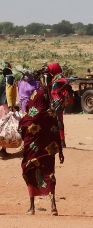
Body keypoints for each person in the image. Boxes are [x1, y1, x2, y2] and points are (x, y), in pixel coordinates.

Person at [18, 87, 65, 215]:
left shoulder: (28, 116)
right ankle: (53, 205)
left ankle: (32, 207)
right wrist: (60, 151)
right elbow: (56, 133)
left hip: (32, 153)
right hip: (47, 152)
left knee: (31, 172)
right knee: (49, 174)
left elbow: (21, 130)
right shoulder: (51, 114)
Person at [0, 67, 17, 157]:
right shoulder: (10, 78)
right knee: (6, 127)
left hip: (1, 104)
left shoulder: (3, 79)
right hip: (6, 104)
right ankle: (3, 149)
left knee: (2, 126)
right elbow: (9, 91)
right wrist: (11, 105)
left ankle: (3, 149)